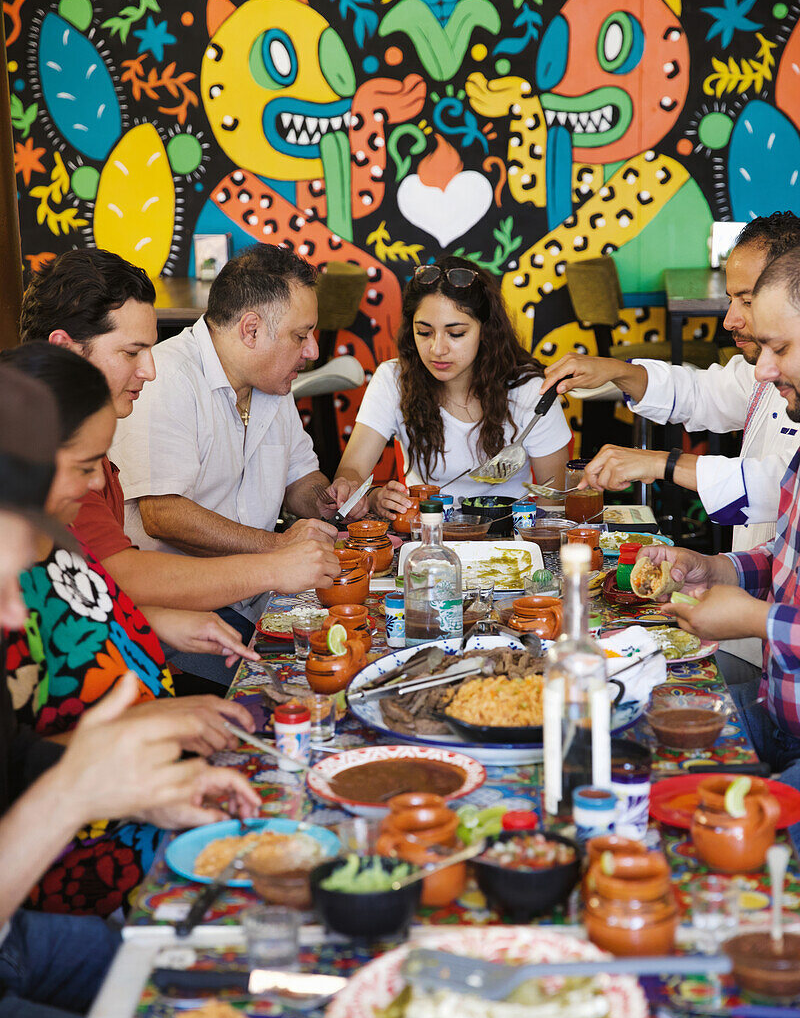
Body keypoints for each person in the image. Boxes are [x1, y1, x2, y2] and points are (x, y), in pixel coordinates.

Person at [0, 369, 259, 1018]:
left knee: (237, 987)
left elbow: (18, 763)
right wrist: (76, 788)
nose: (16, 615)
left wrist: (134, 790)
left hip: (19, 935)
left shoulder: (38, 545)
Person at [20, 247, 343, 683]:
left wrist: (154, 620)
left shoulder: (80, 449)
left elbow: (85, 592)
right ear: (66, 349)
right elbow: (121, 574)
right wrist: (276, 560)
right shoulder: (42, 451)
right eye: (132, 352)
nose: (150, 371)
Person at [651, 245, 800, 851]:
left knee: (711, 848)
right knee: (636, 733)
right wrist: (714, 566)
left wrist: (758, 621)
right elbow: (781, 560)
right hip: (779, 713)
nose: (761, 371)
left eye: (780, 349)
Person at [539, 212, 800, 550]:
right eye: (730, 299)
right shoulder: (766, 371)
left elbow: (781, 487)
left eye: (747, 301)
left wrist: (663, 462)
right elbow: (703, 393)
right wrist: (618, 370)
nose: (729, 320)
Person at [334, 256, 572, 517]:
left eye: (456, 333)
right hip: (427, 533)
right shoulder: (393, 379)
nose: (437, 349)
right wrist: (370, 496)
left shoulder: (530, 390)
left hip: (510, 538)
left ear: (486, 330)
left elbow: (554, 503)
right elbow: (351, 471)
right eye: (424, 332)